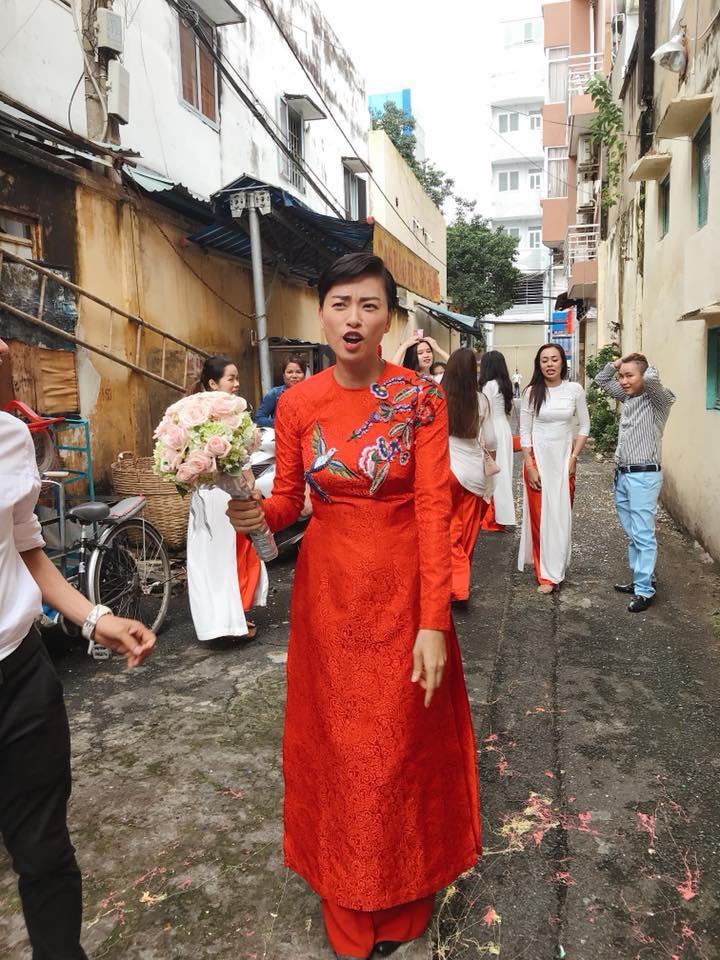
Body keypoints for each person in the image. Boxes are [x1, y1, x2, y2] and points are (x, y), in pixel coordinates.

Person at [227, 253, 480, 960]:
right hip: (329, 599)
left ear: (389, 319)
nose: (354, 318)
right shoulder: (297, 405)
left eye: (369, 305)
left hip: (404, 594)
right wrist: (252, 511)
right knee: (340, 751)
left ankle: (405, 894)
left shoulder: (419, 399)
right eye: (340, 304)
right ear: (321, 316)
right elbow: (288, 502)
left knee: (402, 748)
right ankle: (346, 900)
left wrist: (434, 622)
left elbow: (433, 509)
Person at [0, 337, 156, 960]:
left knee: (44, 852)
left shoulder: (10, 438)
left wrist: (96, 618)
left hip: (20, 678)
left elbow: (26, 547)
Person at [186, 355, 268, 642]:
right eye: (230, 378)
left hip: (210, 495)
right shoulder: (219, 417)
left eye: (236, 378)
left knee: (213, 560)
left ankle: (220, 622)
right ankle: (230, 622)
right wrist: (248, 485)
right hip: (220, 496)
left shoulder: (193, 414)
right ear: (212, 383)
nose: (236, 384)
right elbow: (239, 460)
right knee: (227, 558)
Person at [594, 352, 676, 612]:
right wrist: (618, 363)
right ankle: (643, 578)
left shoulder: (658, 402)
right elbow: (601, 379)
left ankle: (645, 591)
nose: (623, 381)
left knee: (643, 534)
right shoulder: (628, 397)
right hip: (623, 475)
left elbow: (651, 380)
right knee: (633, 533)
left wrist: (640, 361)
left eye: (629, 376)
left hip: (643, 476)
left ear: (643, 375)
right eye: (622, 376)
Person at [518, 343, 590, 594]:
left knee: (561, 517)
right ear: (539, 365)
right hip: (537, 460)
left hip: (564, 461)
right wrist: (529, 465)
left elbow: (584, 426)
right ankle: (546, 575)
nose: (549, 364)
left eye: (554, 359)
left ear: (562, 362)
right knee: (540, 518)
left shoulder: (574, 390)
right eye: (544, 360)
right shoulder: (531, 392)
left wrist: (574, 457)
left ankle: (557, 567)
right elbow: (524, 431)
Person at [442, 348, 497, 602]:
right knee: (468, 530)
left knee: (448, 529)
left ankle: (453, 584)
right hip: (474, 472)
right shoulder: (481, 400)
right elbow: (491, 440)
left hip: (446, 468)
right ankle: (460, 584)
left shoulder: (438, 396)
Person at [478, 351, 516, 531]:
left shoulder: (488, 385)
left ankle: (494, 517)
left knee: (492, 473)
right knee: (504, 472)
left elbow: (486, 412)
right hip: (504, 429)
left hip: (492, 428)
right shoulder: (504, 384)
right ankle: (503, 516)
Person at [253, 354, 307, 427]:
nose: (294, 376)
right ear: (284, 375)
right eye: (290, 372)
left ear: (304, 375)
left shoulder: (310, 395)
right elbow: (259, 419)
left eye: (298, 372)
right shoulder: (275, 394)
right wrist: (279, 423)